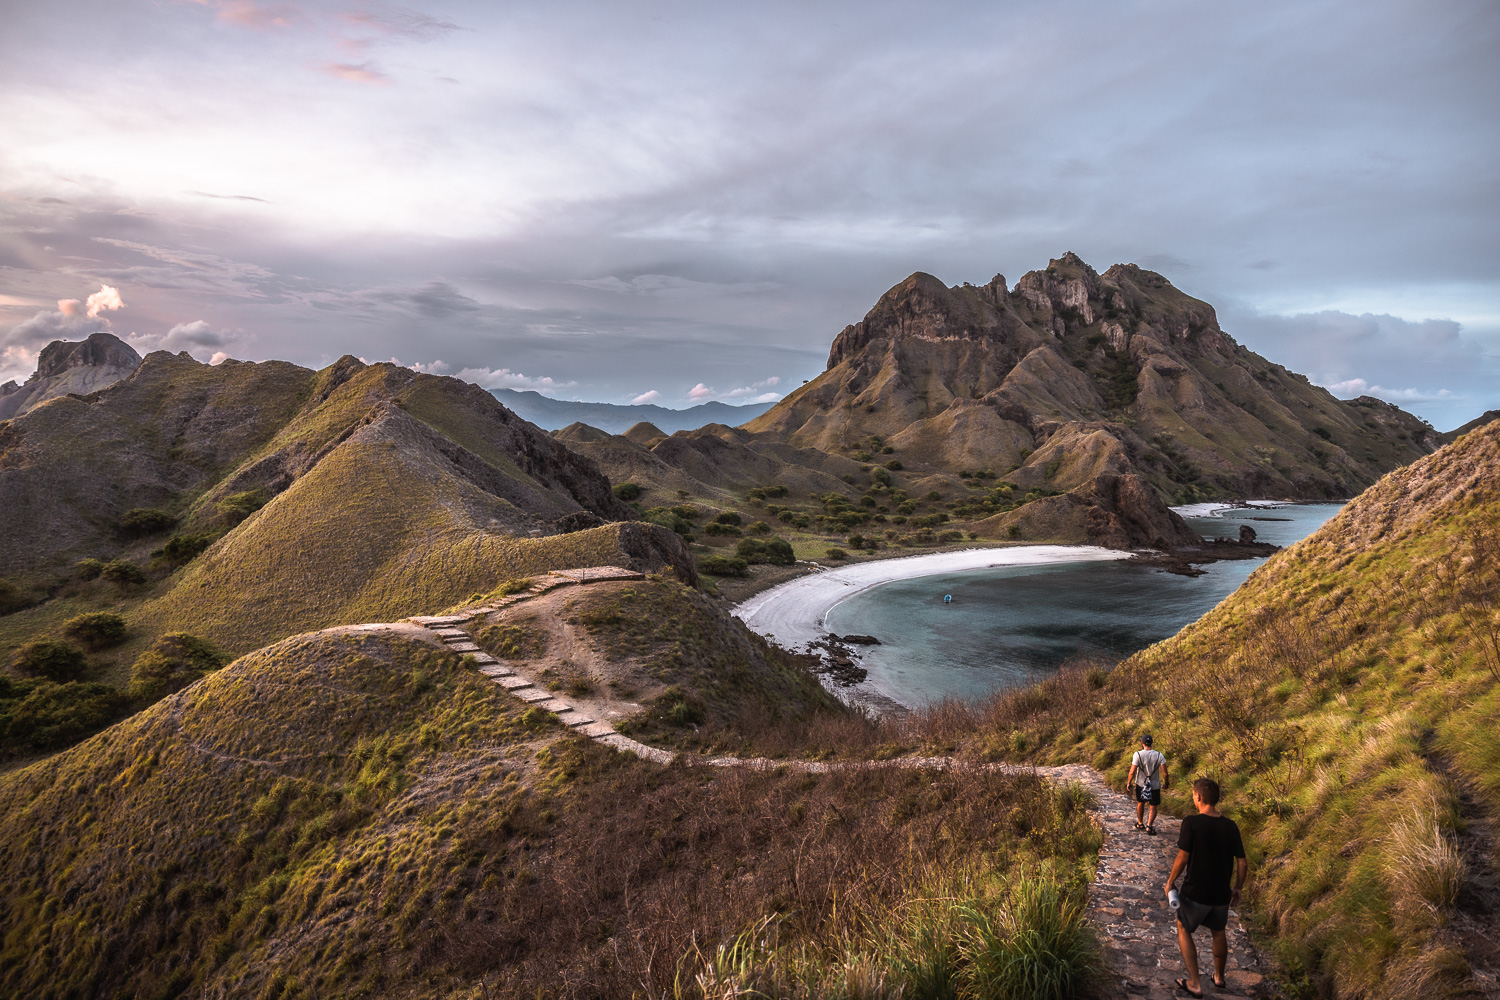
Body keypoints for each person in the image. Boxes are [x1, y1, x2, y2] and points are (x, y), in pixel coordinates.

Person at [1164, 777, 1248, 998]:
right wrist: (1237, 888)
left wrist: (1171, 881)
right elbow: (1242, 861)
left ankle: (1195, 983)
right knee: (1218, 932)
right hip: (1221, 893)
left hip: (1196, 892)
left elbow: (1183, 857)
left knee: (1183, 927)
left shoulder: (1191, 823)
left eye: (1193, 795)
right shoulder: (1230, 826)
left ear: (1198, 797)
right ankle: (1219, 978)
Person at [1125, 734, 1168, 834]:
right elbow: (1165, 773)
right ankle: (1149, 826)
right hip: (1155, 785)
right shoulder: (1159, 755)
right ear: (1151, 743)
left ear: (1142, 743)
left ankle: (1140, 823)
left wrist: (1129, 783)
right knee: (1153, 806)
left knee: (1141, 802)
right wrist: (1166, 783)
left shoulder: (1137, 755)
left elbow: (1132, 772)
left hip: (1140, 783)